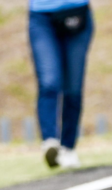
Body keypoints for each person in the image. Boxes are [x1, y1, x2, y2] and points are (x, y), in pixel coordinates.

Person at [29, 0, 94, 169]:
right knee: (49, 82)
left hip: (78, 13)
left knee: (73, 87)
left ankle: (68, 147)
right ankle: (50, 142)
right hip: (42, 16)